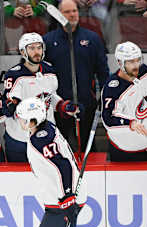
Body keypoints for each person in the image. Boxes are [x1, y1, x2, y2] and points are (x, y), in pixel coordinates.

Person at [15, 97, 92, 227]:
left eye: (22, 118)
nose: (19, 121)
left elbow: (63, 167)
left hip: (62, 200)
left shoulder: (40, 140)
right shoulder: (47, 127)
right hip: (73, 194)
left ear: (32, 120)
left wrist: (67, 197)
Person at [44, 0, 109, 153]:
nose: (72, 14)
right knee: (60, 148)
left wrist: (104, 98)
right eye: (67, 12)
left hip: (86, 104)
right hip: (59, 106)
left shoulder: (92, 38)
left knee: (88, 149)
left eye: (74, 11)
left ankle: (91, 176)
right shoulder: (48, 40)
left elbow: (103, 71)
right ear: (59, 15)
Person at [3, 32, 80, 162]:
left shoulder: (49, 70)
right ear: (23, 52)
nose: (36, 52)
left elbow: (51, 95)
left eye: (39, 47)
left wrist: (63, 105)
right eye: (32, 48)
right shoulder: (14, 75)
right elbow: (11, 102)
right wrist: (10, 106)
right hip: (20, 138)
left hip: (46, 135)